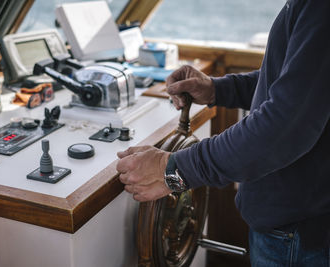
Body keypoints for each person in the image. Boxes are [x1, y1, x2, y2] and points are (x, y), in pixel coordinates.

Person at [116, 0, 330, 266]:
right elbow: (297, 85)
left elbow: (286, 127)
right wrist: (218, 89)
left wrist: (172, 169)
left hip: (300, 233)